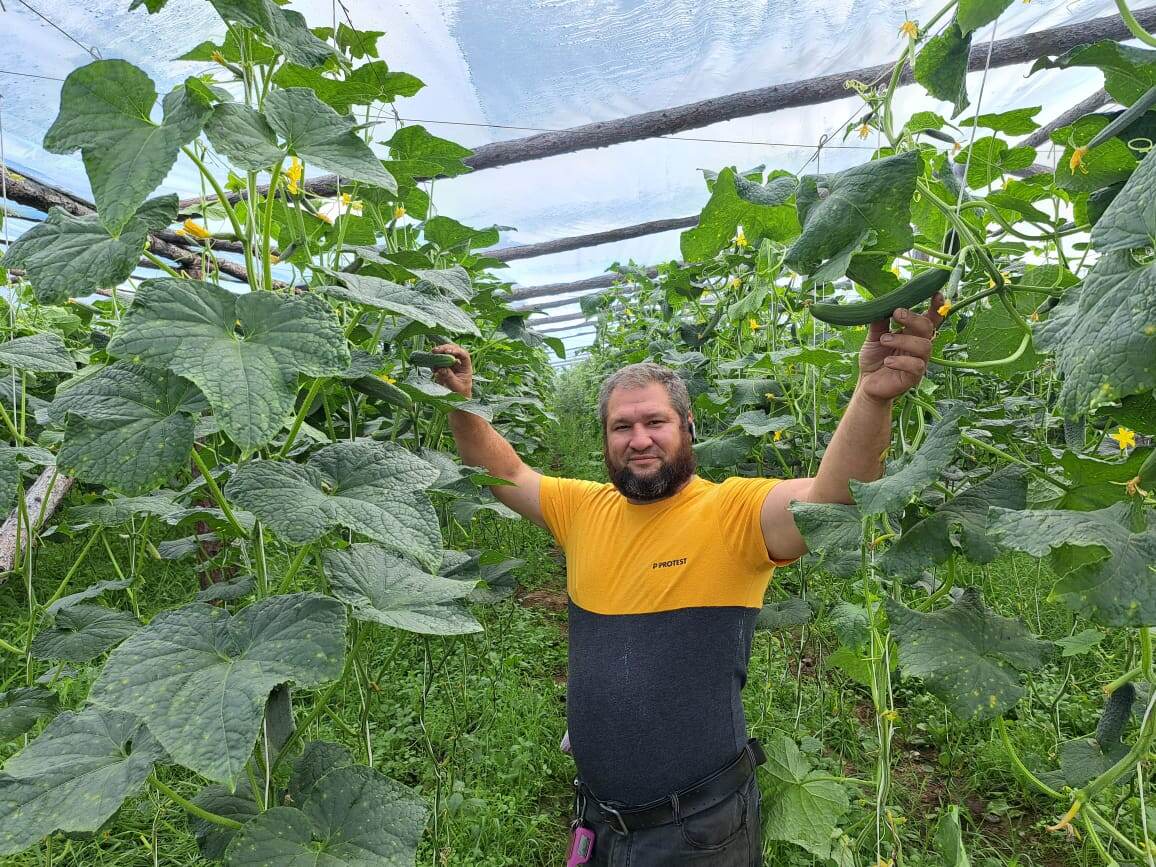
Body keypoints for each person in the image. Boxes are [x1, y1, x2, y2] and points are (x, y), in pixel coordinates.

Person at [432, 297, 943, 866]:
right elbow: (505, 473)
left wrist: (871, 395)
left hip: (697, 829)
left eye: (655, 422)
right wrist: (460, 401)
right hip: (601, 819)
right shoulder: (582, 509)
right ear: (603, 440)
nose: (639, 439)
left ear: (687, 427)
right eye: (621, 426)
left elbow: (833, 499)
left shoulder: (732, 512)